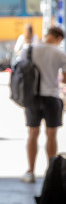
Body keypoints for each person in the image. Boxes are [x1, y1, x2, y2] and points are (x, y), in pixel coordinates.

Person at [20, 26, 66, 183]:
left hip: (32, 97)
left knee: (33, 134)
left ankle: (30, 171)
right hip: (52, 97)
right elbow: (65, 79)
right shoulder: (60, 53)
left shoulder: (29, 50)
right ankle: (50, 171)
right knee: (51, 135)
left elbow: (21, 71)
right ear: (59, 39)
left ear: (47, 35)